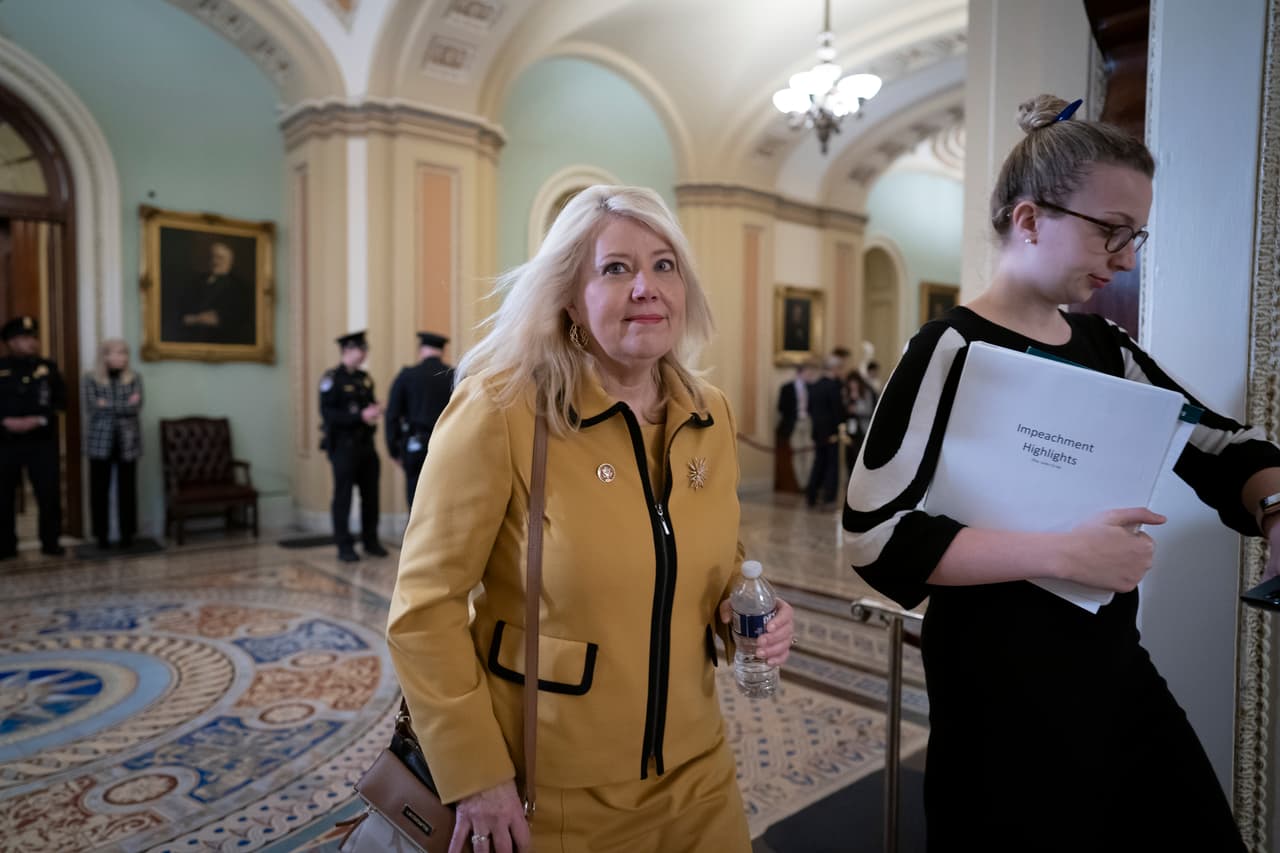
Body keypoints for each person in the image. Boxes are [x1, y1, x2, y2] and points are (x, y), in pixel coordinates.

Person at [842, 95, 1280, 852]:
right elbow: (874, 532)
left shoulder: (1107, 347)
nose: (1127, 259)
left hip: (1110, 670)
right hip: (994, 691)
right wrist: (1062, 553)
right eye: (1111, 232)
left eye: (1135, 236)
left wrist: (1274, 504)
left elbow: (1217, 444)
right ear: (1030, 218)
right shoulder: (947, 348)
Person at [386, 185, 795, 853]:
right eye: (616, 268)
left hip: (699, 771)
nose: (647, 287)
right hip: (551, 787)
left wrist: (754, 613)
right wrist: (476, 772)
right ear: (571, 297)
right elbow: (422, 609)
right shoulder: (503, 409)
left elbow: (713, 561)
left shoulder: (708, 412)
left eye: (665, 266)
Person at [0, 315, 67, 557]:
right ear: (11, 342)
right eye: (25, 338)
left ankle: (51, 542)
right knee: (3, 496)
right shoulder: (1, 369)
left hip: (41, 442)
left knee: (48, 493)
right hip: (5, 443)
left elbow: (61, 401)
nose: (32, 343)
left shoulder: (47, 368)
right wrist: (6, 422)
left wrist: (37, 419)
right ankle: (5, 546)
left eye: (33, 338)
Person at [319, 330, 387, 562]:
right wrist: (360, 415)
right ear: (347, 350)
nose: (365, 353)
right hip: (344, 447)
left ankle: (371, 540)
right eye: (362, 349)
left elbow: (367, 406)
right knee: (343, 495)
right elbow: (328, 415)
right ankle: (344, 544)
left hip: (366, 445)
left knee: (371, 495)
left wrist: (375, 410)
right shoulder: (332, 379)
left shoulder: (364, 379)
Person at [83, 338, 143, 550]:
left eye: (124, 353)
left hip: (127, 441)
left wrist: (107, 404)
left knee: (128, 490)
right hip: (100, 442)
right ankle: (101, 535)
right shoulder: (91, 379)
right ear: (105, 356)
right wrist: (123, 405)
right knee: (99, 490)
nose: (121, 357)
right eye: (115, 353)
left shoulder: (134, 378)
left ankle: (128, 534)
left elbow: (136, 408)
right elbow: (93, 407)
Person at [384, 331, 454, 507]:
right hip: (447, 445)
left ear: (421, 350)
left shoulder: (407, 376)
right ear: (442, 351)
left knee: (416, 499)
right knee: (444, 498)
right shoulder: (454, 375)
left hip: (416, 445)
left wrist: (394, 449)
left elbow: (392, 415)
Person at [162, 240, 255, 345]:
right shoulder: (195, 281)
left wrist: (217, 319)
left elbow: (240, 320)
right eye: (212, 257)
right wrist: (193, 319)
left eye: (220, 258)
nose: (215, 261)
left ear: (230, 260)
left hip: (221, 341)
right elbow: (179, 310)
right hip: (189, 339)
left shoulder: (240, 287)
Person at [805, 354, 845, 508]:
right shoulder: (833, 386)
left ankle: (811, 496)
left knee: (818, 464)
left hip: (817, 432)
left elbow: (809, 410)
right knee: (832, 466)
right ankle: (829, 497)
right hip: (832, 433)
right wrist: (839, 426)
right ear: (834, 369)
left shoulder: (814, 386)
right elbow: (837, 411)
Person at [843, 370, 877, 477]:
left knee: (860, 455)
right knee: (850, 456)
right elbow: (844, 409)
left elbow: (869, 410)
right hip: (851, 428)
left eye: (854, 383)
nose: (853, 385)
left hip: (863, 428)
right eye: (850, 383)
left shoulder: (866, 392)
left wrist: (856, 408)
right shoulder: (847, 392)